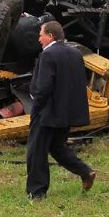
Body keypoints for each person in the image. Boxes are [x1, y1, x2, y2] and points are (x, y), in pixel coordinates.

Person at [25, 21, 96, 200]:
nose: (39, 39)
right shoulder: (75, 53)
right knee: (57, 147)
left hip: (47, 113)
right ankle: (85, 172)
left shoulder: (48, 54)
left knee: (36, 151)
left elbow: (44, 86)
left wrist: (36, 108)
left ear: (50, 36)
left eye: (41, 34)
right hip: (66, 113)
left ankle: (37, 192)